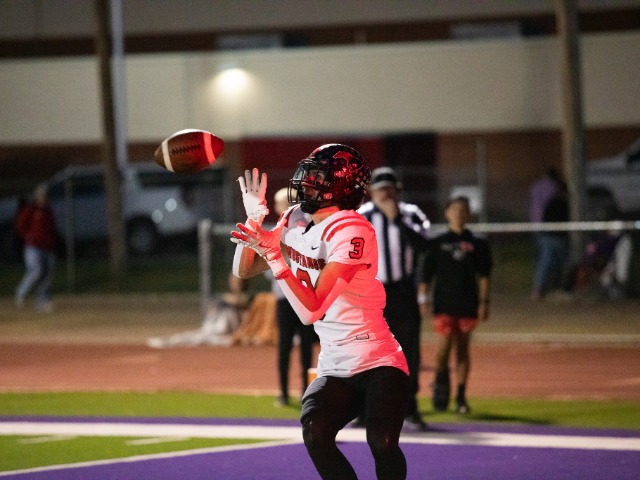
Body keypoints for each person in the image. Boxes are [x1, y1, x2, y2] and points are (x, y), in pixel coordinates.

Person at [231, 144, 410, 479]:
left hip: (377, 360)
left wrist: (275, 257)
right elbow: (245, 269)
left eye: (318, 176)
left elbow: (311, 309)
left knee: (382, 442)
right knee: (315, 432)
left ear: (342, 185)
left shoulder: (352, 229)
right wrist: (254, 221)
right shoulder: (296, 218)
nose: (306, 181)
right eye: (309, 173)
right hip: (334, 362)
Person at [358, 167, 430, 431]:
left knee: (408, 353)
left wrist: (397, 219)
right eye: (381, 189)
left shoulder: (412, 213)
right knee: (367, 352)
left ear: (397, 190)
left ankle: (409, 410)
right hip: (371, 291)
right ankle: (364, 411)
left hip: (403, 292)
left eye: (389, 189)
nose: (385, 194)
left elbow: (425, 246)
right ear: (371, 191)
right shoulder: (361, 216)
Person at [419, 196, 492, 414]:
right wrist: (423, 298)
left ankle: (460, 396)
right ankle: (441, 381)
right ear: (447, 213)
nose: (458, 214)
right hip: (444, 303)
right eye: (454, 210)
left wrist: (484, 302)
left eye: (463, 210)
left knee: (463, 349)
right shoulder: (437, 242)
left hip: (468, 303)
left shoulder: (478, 243)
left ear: (468, 214)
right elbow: (426, 274)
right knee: (444, 347)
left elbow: (485, 275)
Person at [271, 187, 318, 407]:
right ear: (276, 207)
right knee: (285, 345)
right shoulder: (275, 232)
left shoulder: (308, 228)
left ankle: (306, 391)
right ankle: (282, 392)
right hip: (284, 297)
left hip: (304, 296)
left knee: (307, 345)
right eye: (283, 203)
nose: (288, 207)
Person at [14, 184, 58, 312]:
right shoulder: (31, 209)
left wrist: (51, 242)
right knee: (36, 270)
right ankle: (21, 292)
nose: (43, 198)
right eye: (41, 195)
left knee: (48, 273)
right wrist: (28, 236)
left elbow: (51, 227)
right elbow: (20, 225)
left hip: (47, 247)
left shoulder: (48, 210)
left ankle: (42, 300)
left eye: (45, 196)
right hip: (33, 247)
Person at [531, 181, 571, 300]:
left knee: (546, 264)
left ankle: (541, 290)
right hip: (556, 238)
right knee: (564, 264)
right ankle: (560, 288)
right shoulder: (562, 204)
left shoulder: (551, 203)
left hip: (548, 237)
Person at [528, 167, 563, 301]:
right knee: (549, 260)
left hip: (537, 227)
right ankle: (550, 288)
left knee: (543, 260)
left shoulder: (535, 187)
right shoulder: (554, 188)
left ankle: (540, 289)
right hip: (550, 230)